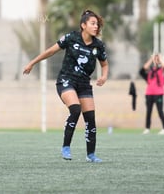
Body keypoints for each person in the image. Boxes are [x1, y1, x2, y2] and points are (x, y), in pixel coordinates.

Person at [23, 10, 109, 163]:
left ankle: (91, 155)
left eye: (97, 24)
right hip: (66, 80)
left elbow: (104, 64)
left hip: (84, 84)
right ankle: (66, 147)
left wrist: (104, 76)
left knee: (90, 119)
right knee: (75, 110)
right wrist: (31, 63)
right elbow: (50, 51)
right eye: (93, 23)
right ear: (83, 25)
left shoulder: (98, 45)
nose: (96, 27)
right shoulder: (71, 38)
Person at [141, 53, 164, 135]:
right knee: (148, 111)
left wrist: (159, 59)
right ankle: (147, 128)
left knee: (160, 111)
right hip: (149, 93)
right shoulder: (150, 70)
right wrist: (151, 59)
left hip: (159, 93)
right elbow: (144, 67)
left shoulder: (160, 69)